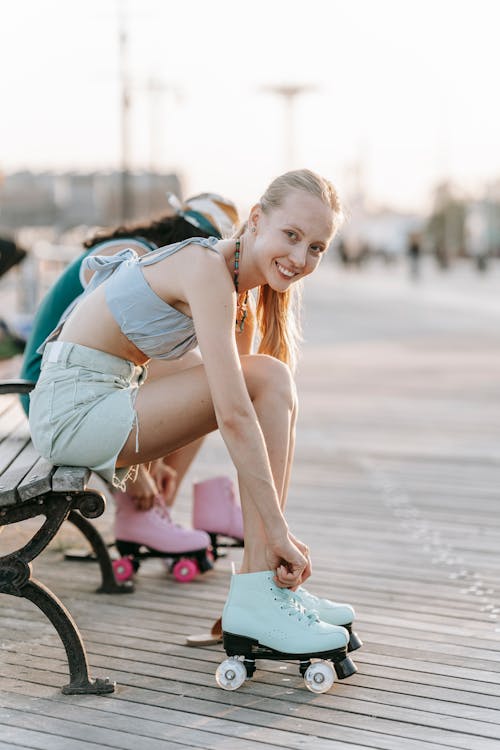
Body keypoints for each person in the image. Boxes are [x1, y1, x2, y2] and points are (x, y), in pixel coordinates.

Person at [29, 169, 359, 663]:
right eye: (291, 235)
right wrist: (278, 532)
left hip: (106, 398)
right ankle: (260, 590)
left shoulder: (240, 295)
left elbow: (246, 415)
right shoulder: (205, 268)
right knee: (268, 377)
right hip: (72, 409)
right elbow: (233, 414)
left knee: (267, 378)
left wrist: (272, 534)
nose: (299, 257)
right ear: (255, 220)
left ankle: (263, 592)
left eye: (315, 247)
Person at [20, 193, 244, 561]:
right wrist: (137, 470)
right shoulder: (132, 252)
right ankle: (141, 508)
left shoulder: (154, 259)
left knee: (201, 376)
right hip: (49, 387)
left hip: (82, 384)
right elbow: (98, 345)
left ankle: (153, 512)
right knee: (194, 372)